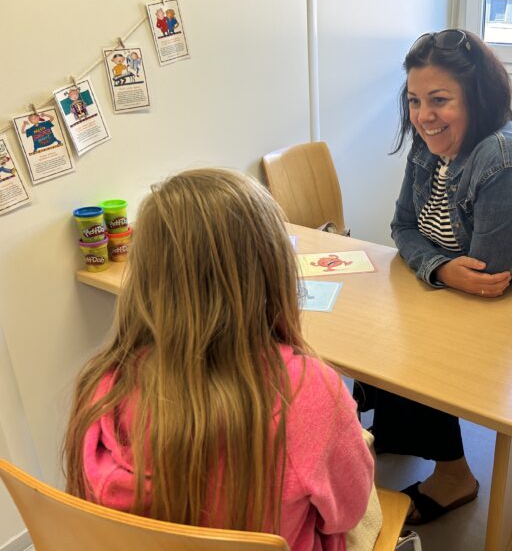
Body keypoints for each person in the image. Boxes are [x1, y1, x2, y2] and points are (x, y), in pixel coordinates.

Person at [63, 168, 377, 551]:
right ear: (272, 270)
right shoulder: (310, 390)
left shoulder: (103, 383)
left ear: (146, 277)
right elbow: (346, 514)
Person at [357, 29, 512, 525]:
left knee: (418, 348)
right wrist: (437, 266)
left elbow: (487, 276)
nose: (423, 116)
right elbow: (400, 226)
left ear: (476, 97)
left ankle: (456, 475)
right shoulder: (428, 145)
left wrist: (434, 265)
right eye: (415, 100)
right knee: (390, 331)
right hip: (464, 283)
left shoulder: (504, 158)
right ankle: (399, 428)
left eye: (439, 100)